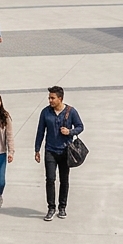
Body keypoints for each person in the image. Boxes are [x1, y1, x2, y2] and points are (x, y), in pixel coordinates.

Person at [34, 86, 84, 221]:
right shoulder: (45, 112)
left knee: (64, 180)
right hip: (50, 150)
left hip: (65, 151)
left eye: (52, 98)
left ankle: (62, 207)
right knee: (50, 179)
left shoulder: (71, 111)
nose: (50, 100)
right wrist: (37, 149)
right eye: (49, 98)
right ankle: (51, 207)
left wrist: (70, 132)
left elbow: (80, 126)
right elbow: (40, 131)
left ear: (60, 98)